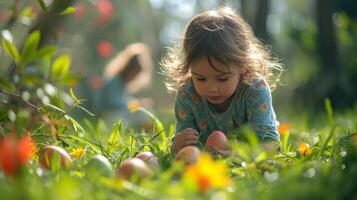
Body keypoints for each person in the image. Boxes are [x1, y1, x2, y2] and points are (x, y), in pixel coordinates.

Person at [160, 7, 284, 156]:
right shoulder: (188, 93)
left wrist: (235, 155)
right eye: (200, 78)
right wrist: (177, 147)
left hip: (247, 159)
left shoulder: (254, 89)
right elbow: (187, 147)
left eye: (222, 78)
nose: (212, 88)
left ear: (243, 66)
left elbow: (270, 144)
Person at [78, 43, 154, 128]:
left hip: (118, 117)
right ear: (127, 68)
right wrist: (136, 103)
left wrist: (138, 103)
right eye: (133, 72)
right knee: (125, 115)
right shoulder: (114, 80)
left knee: (144, 111)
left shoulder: (123, 84)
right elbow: (113, 103)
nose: (133, 76)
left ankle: (147, 135)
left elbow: (125, 101)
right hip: (105, 118)